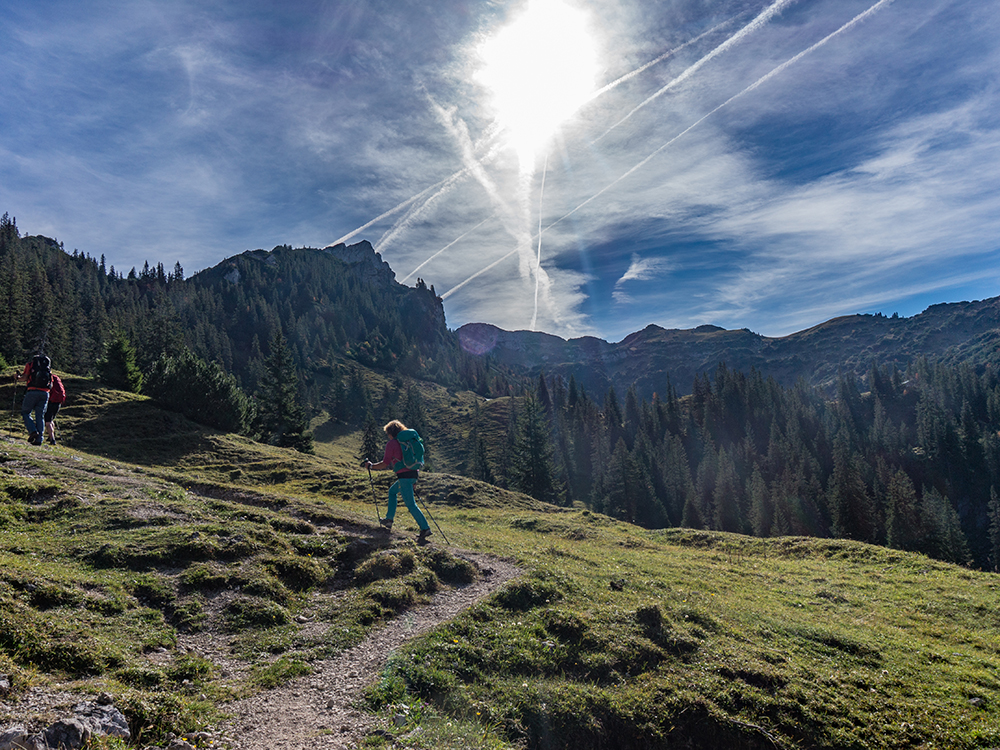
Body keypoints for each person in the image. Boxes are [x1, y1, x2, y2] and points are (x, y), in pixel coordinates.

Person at [363, 419, 431, 543]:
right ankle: (389, 520)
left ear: (390, 433)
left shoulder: (392, 444)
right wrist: (414, 480)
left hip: (404, 477)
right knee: (392, 492)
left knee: (411, 504)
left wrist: (371, 466)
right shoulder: (408, 441)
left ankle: (425, 528)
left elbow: (385, 463)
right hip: (412, 475)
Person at [16, 354, 51, 446]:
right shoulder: (47, 368)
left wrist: (17, 378)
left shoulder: (30, 365)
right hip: (45, 393)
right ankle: (39, 439)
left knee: (25, 412)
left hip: (32, 391)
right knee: (40, 416)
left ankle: (33, 431)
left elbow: (24, 378)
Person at [43, 372, 66, 446]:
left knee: (47, 421)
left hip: (51, 401)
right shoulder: (56, 378)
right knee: (51, 419)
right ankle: (51, 436)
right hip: (58, 401)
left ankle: (52, 439)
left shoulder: (49, 378)